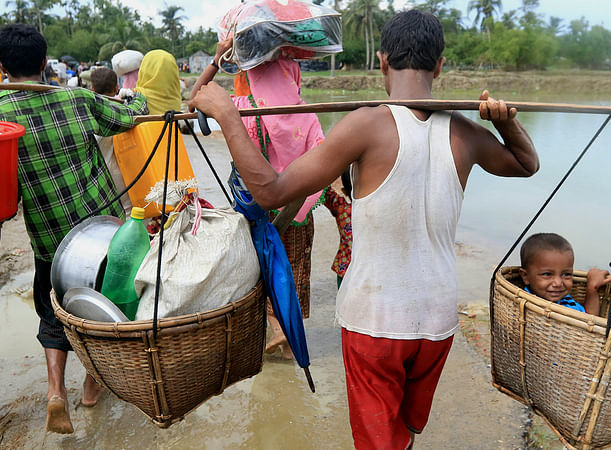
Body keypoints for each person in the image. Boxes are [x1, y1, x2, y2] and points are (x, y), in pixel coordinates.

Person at [191, 10, 539, 448]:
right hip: (437, 322)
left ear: (381, 62)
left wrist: (227, 115)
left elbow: (271, 191)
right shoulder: (465, 131)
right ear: (439, 66)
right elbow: (527, 164)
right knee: (406, 429)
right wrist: (505, 123)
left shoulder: (366, 123)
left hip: (375, 323)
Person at [0, 24, 149, 434]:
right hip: (103, 235)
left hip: (51, 245)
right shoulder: (76, 97)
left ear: (1, 67)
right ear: (44, 63)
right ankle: (93, 388)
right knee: (109, 313)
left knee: (53, 317)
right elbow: (129, 117)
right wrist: (137, 95)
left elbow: (0, 195)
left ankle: (56, 392)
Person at [191, 24, 326, 359]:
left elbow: (197, 97)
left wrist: (219, 54)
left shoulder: (241, 109)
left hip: (255, 209)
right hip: (295, 210)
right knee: (293, 268)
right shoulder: (306, 113)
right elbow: (322, 164)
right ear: (293, 76)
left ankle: (274, 329)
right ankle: (290, 331)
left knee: (259, 267)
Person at [519, 233, 611, 316]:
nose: (558, 283)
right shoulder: (523, 301)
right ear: (526, 276)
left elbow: (589, 320)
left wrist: (592, 288)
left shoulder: (567, 302)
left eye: (566, 274)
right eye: (547, 274)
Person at [91, 67, 133, 215]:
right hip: (122, 170)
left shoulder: (88, 112)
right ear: (116, 87)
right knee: (127, 210)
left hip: (97, 172)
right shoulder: (123, 108)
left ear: (92, 88)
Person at [323, 170, 353, 289]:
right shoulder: (374, 209)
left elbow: (325, 192)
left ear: (344, 190)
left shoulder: (342, 209)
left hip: (344, 268)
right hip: (368, 270)